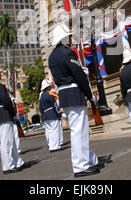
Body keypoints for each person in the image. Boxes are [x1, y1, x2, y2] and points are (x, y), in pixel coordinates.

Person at [48, 24, 100, 178]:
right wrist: (90, 95)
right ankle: (80, 166)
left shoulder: (52, 56)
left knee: (78, 131)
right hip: (74, 92)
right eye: (68, 36)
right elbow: (78, 76)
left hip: (64, 95)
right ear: (63, 38)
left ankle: (89, 160)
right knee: (79, 131)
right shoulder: (67, 53)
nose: (70, 38)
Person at [0, 64, 29, 174]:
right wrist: (13, 111)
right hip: (5, 113)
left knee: (10, 141)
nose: (1, 75)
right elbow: (6, 101)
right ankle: (8, 165)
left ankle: (17, 162)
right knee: (7, 141)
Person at [39, 78, 63, 152]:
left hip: (45, 116)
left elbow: (40, 108)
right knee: (55, 130)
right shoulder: (50, 94)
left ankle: (51, 145)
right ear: (48, 87)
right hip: (52, 114)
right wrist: (60, 113)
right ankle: (55, 146)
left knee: (49, 131)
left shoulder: (41, 96)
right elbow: (55, 105)